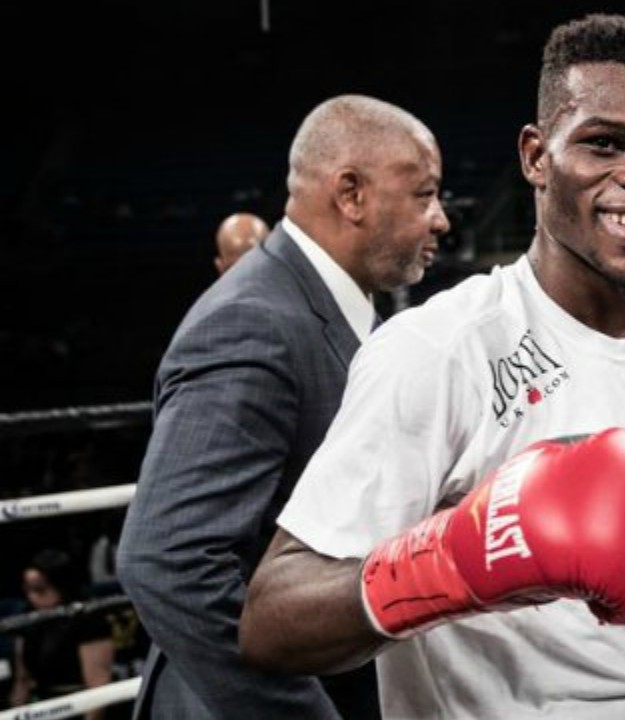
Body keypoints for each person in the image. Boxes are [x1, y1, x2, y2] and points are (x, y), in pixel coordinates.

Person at [239, 14, 625, 720]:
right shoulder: (440, 348)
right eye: (605, 143)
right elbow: (271, 624)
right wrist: (455, 560)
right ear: (537, 157)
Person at [115, 94, 450, 720]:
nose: (441, 221)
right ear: (351, 195)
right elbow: (167, 561)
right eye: (425, 195)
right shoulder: (254, 322)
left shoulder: (346, 316)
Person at [8, 549, 114, 720]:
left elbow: (98, 686)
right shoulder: (29, 619)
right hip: (43, 707)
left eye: (40, 590)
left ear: (61, 585)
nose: (32, 597)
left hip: (80, 707)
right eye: (27, 590)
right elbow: (22, 680)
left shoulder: (88, 618)